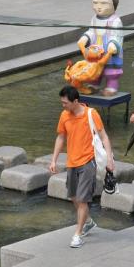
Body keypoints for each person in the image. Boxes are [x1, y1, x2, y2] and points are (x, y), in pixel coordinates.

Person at [49, 85, 115, 249]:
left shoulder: (91, 114)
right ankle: (89, 222)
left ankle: (78, 234)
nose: (63, 106)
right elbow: (60, 138)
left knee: (83, 198)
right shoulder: (64, 115)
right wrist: (53, 160)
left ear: (75, 101)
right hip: (72, 162)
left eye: (65, 103)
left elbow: (104, 137)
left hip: (88, 162)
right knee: (73, 196)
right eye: (62, 103)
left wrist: (109, 159)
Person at [76, 0, 123, 95]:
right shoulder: (94, 18)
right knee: (94, 69)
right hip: (95, 51)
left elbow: (116, 35)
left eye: (103, 3)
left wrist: (113, 45)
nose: (99, 7)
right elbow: (91, 32)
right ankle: (95, 83)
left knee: (111, 72)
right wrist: (85, 38)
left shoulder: (115, 21)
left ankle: (112, 86)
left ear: (114, 4)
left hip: (109, 51)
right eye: (95, 3)